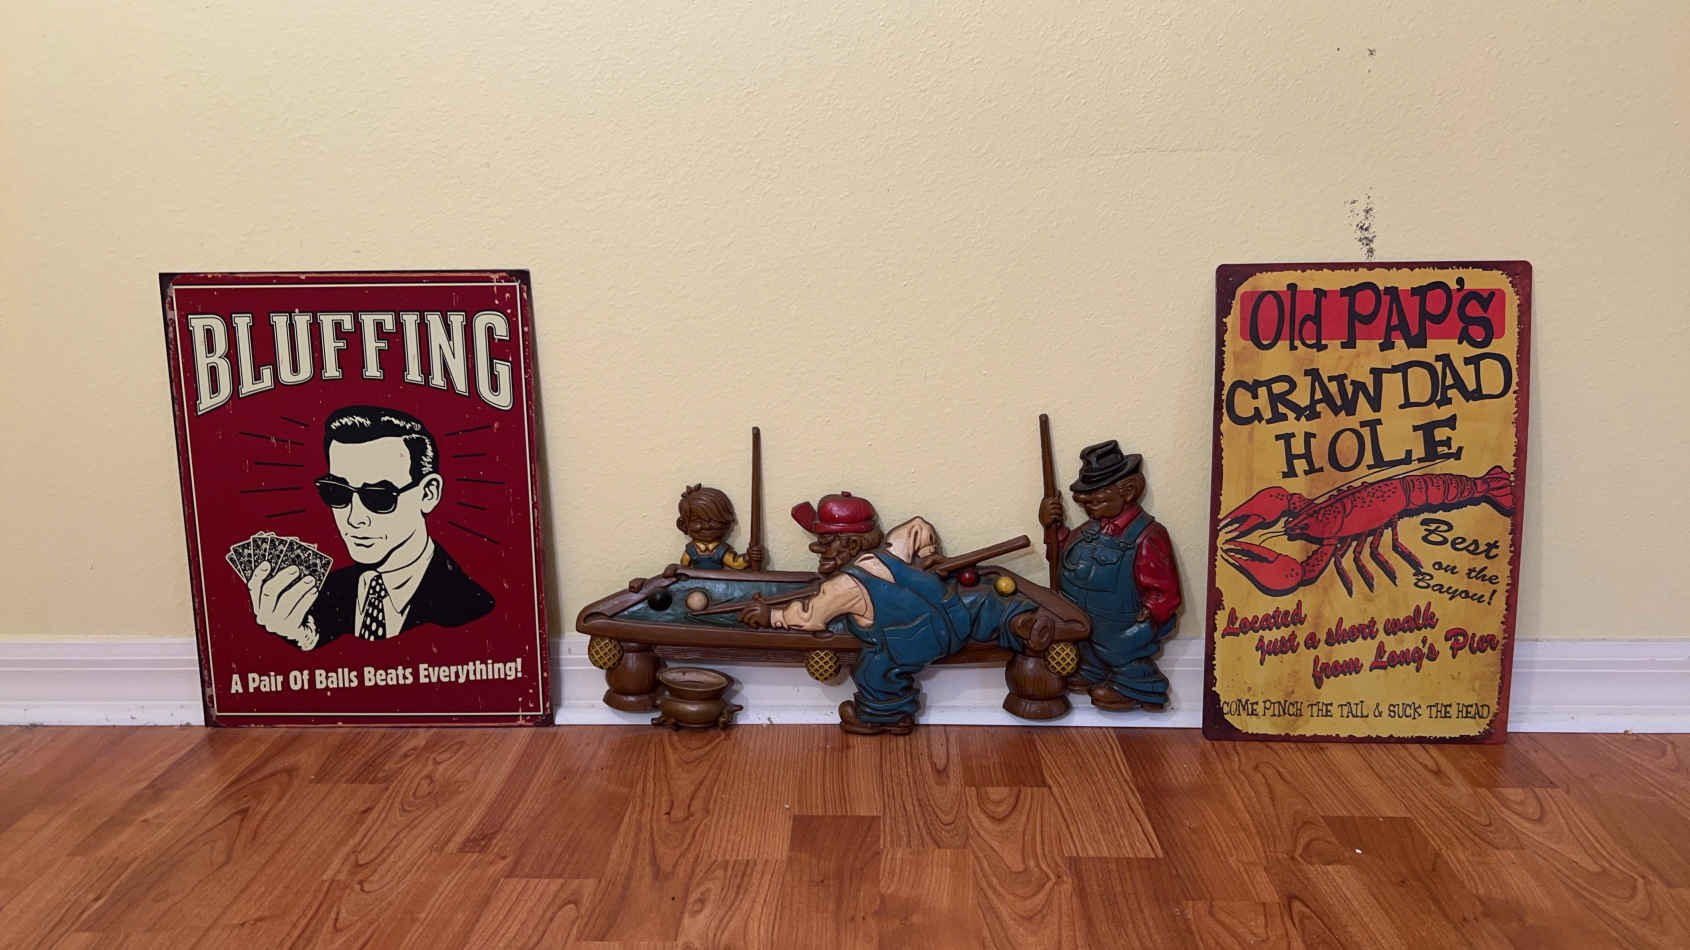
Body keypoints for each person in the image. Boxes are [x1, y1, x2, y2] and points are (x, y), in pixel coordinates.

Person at [738, 491, 1062, 734]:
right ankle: (1019, 621)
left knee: (875, 671)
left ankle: (886, 717)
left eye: (825, 542)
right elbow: (918, 526)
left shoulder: (844, 586)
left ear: (852, 545)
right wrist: (929, 553)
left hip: (910, 643)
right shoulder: (894, 548)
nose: (817, 549)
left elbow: (811, 616)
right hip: (953, 619)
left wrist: (771, 616)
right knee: (983, 602)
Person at [248, 405, 494, 650]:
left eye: (378, 497)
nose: (354, 519)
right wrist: (304, 640)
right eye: (337, 492)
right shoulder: (321, 596)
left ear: (428, 493)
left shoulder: (472, 606)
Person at [1038, 440, 1181, 710]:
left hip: (1120, 627)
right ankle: (1094, 670)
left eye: (1097, 500)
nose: (1089, 507)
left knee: (1117, 648)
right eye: (1085, 501)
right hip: (1084, 624)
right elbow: (1062, 554)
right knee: (1087, 644)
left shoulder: (1147, 536)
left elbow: (1165, 591)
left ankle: (1138, 686)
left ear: (1128, 491)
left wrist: (1149, 616)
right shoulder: (1090, 529)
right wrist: (1052, 527)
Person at [675, 484, 760, 570]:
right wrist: (674, 568)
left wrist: (748, 557)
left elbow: (735, 563)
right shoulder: (691, 550)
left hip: (716, 579)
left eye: (713, 520)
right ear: (684, 525)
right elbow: (683, 568)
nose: (707, 526)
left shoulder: (720, 550)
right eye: (698, 521)